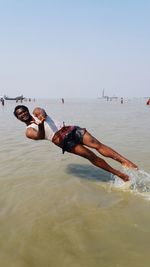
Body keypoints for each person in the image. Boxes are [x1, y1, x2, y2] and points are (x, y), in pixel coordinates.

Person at [13, 105, 138, 182]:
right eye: (19, 114)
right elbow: (39, 136)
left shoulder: (36, 112)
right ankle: (120, 175)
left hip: (70, 130)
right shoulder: (28, 131)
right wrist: (40, 126)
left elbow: (40, 110)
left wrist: (42, 115)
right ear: (17, 118)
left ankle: (125, 162)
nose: (22, 114)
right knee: (91, 156)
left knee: (98, 145)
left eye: (23, 111)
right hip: (63, 141)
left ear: (27, 110)